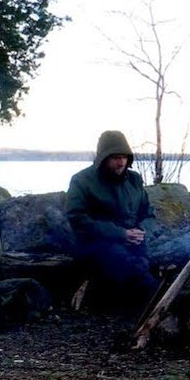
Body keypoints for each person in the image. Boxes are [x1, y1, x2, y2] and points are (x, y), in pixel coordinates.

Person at [65, 130, 159, 319]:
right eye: (115, 157)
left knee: (148, 261)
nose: (121, 162)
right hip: (97, 243)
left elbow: (148, 213)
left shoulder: (134, 180)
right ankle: (151, 305)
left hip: (134, 240)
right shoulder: (82, 181)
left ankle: (149, 303)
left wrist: (142, 231)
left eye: (124, 157)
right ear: (103, 158)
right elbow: (77, 218)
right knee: (123, 261)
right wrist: (120, 234)